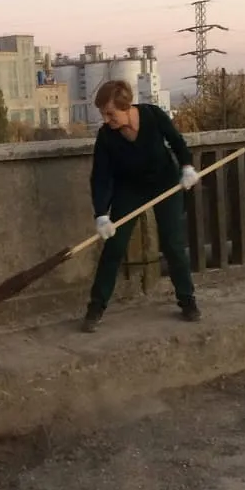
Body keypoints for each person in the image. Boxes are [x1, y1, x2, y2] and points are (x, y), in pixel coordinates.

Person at [82, 79, 201, 333]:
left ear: (125, 106)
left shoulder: (153, 116)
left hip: (165, 183)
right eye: (103, 114)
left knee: (173, 243)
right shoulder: (106, 136)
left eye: (110, 113)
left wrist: (187, 167)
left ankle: (187, 300)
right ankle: (96, 307)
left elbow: (177, 142)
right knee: (114, 246)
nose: (106, 119)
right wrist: (101, 214)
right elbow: (101, 177)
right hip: (130, 189)